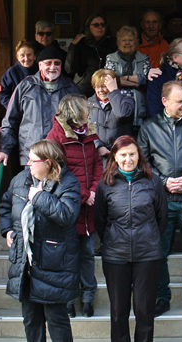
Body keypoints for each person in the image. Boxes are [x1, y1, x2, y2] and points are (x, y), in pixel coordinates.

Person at [137, 81, 182, 316]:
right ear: (164, 102)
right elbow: (142, 162)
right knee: (158, 250)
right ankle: (161, 296)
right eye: (180, 101)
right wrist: (163, 181)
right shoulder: (148, 127)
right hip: (162, 198)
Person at [0, 139, 82, 342]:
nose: (28, 164)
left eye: (32, 160)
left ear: (49, 163)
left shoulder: (68, 182)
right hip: (25, 262)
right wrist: (8, 230)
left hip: (54, 263)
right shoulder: (21, 179)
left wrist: (38, 197)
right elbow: (5, 206)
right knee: (31, 319)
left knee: (56, 318)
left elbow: (66, 215)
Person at [94, 135, 168, 342]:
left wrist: (150, 237)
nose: (128, 159)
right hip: (116, 255)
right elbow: (100, 220)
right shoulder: (105, 184)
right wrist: (111, 240)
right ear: (115, 157)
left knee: (145, 311)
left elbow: (162, 217)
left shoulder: (153, 181)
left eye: (132, 154)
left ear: (139, 155)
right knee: (118, 312)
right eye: (123, 155)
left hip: (148, 254)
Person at [45, 95, 104, 318]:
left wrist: (94, 190)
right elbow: (56, 172)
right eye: (84, 111)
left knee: (87, 252)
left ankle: (88, 298)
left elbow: (97, 163)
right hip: (68, 206)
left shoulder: (88, 133)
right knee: (68, 254)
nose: (87, 114)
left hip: (89, 206)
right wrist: (82, 195)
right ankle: (69, 299)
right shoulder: (55, 137)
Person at [0, 45, 82, 166]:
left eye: (57, 63)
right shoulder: (25, 86)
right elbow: (10, 121)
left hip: (62, 156)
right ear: (40, 65)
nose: (53, 67)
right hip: (31, 156)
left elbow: (82, 123)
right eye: (48, 63)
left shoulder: (71, 88)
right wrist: (4, 149)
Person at [104, 25, 152, 130]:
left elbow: (146, 79)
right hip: (117, 105)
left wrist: (121, 80)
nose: (127, 43)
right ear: (118, 42)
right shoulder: (111, 58)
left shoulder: (144, 58)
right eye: (124, 40)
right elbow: (110, 80)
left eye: (130, 40)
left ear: (136, 42)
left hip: (139, 107)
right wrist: (136, 81)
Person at [87, 69, 135, 159]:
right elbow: (86, 129)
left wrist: (114, 91)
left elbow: (121, 113)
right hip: (96, 155)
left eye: (104, 86)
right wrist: (98, 146)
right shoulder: (88, 103)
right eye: (97, 86)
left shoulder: (127, 101)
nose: (101, 90)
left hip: (121, 155)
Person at [67, 13, 117, 96]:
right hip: (84, 89)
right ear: (88, 27)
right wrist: (73, 46)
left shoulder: (112, 43)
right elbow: (69, 69)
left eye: (103, 25)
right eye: (96, 25)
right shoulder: (81, 44)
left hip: (106, 89)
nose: (100, 27)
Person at [0, 40, 38, 111]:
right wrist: (13, 109)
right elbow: (4, 95)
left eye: (29, 55)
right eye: (22, 55)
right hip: (17, 112)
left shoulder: (40, 70)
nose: (26, 59)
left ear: (34, 56)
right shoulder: (11, 72)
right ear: (17, 57)